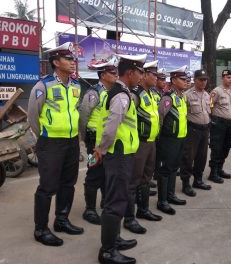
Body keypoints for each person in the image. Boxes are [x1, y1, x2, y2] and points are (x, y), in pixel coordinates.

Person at [27, 42, 84, 247]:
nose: (72, 62)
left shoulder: (76, 86)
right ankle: (41, 229)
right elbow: (33, 117)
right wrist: (44, 135)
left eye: (72, 59)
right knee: (48, 186)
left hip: (71, 142)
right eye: (68, 59)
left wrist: (76, 137)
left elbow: (76, 112)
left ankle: (61, 220)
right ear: (56, 62)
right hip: (50, 143)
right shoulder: (43, 86)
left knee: (68, 183)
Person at [93, 53, 146, 264]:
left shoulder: (122, 92)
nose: (141, 77)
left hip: (122, 153)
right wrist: (102, 149)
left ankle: (114, 238)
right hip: (118, 155)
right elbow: (111, 127)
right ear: (130, 72)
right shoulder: (122, 96)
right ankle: (107, 251)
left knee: (118, 198)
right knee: (115, 202)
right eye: (140, 73)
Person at [123, 60, 163, 235]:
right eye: (154, 75)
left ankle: (143, 209)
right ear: (145, 75)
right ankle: (129, 219)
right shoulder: (135, 94)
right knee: (133, 181)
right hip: (139, 143)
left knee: (146, 178)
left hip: (151, 142)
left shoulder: (153, 94)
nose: (157, 78)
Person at [78, 57, 118, 225]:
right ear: (102, 75)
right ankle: (90, 209)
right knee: (94, 171)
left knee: (106, 172)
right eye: (111, 72)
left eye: (115, 71)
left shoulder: (113, 91)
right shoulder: (94, 93)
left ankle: (104, 201)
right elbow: (83, 115)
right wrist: (84, 137)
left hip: (107, 139)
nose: (115, 74)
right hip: (94, 139)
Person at [156, 65, 189, 215]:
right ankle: (162, 201)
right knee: (165, 170)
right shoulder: (168, 98)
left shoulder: (181, 97)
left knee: (174, 168)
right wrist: (161, 137)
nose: (186, 81)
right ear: (174, 80)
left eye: (186, 79)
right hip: (168, 140)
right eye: (182, 79)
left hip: (180, 139)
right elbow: (159, 117)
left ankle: (170, 195)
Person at [180, 69, 212, 197]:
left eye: (205, 80)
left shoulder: (207, 95)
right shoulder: (186, 95)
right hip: (192, 130)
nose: (203, 82)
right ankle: (186, 183)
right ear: (195, 80)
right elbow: (183, 114)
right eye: (201, 79)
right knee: (188, 157)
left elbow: (209, 111)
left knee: (202, 156)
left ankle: (198, 180)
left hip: (205, 129)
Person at [208, 69, 231, 184]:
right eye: (228, 77)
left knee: (226, 147)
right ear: (222, 78)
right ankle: (213, 173)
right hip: (218, 123)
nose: (230, 80)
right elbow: (209, 105)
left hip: (229, 124)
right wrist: (213, 119)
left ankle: (220, 169)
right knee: (217, 148)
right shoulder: (217, 91)